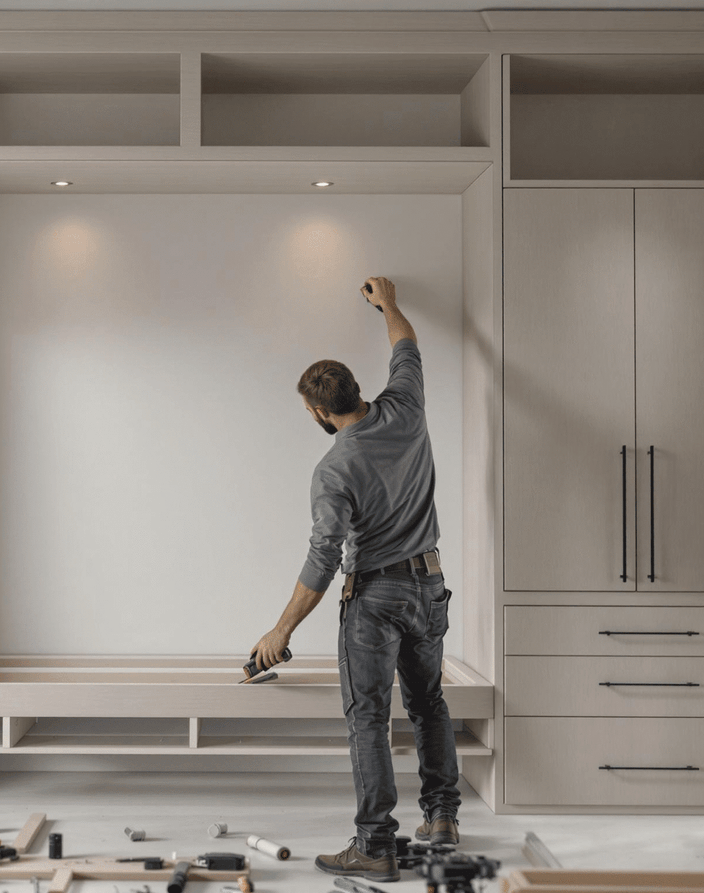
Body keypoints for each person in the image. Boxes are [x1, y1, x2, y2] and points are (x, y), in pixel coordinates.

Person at [249, 276, 461, 883]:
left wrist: (280, 630)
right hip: (430, 586)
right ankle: (442, 818)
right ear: (357, 390)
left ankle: (375, 845)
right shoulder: (406, 405)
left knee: (368, 716)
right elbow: (406, 344)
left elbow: (322, 559)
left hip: (376, 597)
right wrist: (387, 304)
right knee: (428, 702)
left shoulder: (334, 468)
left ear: (319, 411)